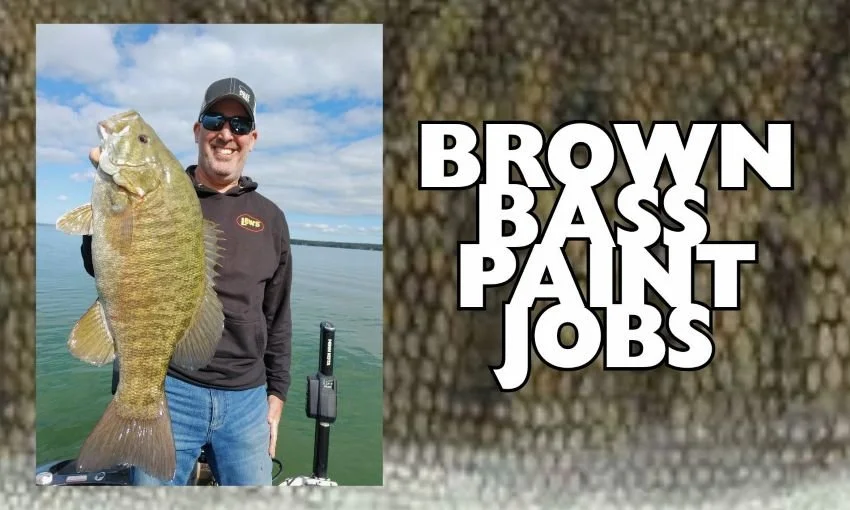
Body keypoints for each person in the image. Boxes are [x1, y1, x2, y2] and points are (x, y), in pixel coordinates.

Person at [79, 77, 293, 486]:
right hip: (170, 389)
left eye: (239, 125)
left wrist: (277, 394)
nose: (226, 134)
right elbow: (100, 266)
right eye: (215, 120)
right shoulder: (164, 191)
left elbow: (278, 315)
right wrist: (107, 204)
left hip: (247, 399)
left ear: (252, 138)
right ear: (198, 131)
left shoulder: (272, 218)